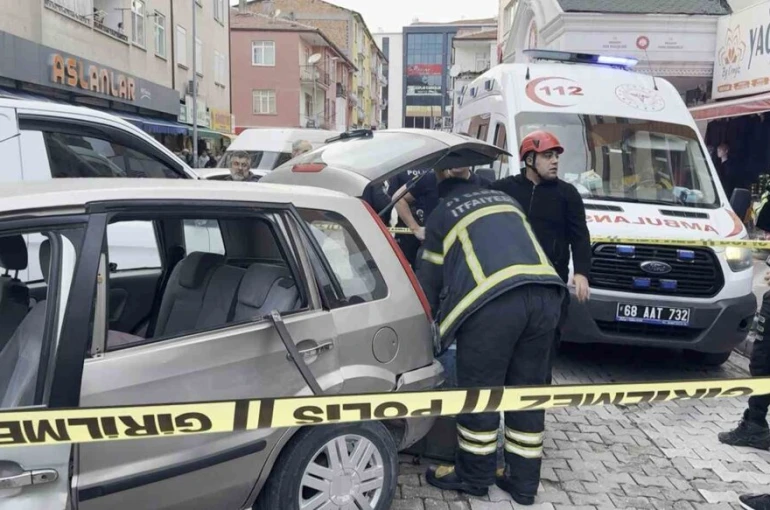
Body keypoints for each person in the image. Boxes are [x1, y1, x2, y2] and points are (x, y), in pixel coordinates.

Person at [417, 165, 567, 504]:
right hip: (546, 296)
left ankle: (474, 477)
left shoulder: (443, 212)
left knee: (481, 393)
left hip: (493, 303)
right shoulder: (505, 199)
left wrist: (427, 325)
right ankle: (523, 483)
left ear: (442, 186)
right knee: (527, 394)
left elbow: (429, 278)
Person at [488, 130, 591, 383]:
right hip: (511, 285)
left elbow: (580, 236)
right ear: (529, 160)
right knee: (504, 350)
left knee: (542, 355)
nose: (555, 161)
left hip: (550, 288)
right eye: (548, 155)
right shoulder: (504, 189)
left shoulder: (568, 195)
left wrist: (581, 273)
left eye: (556, 156)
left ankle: (535, 401)